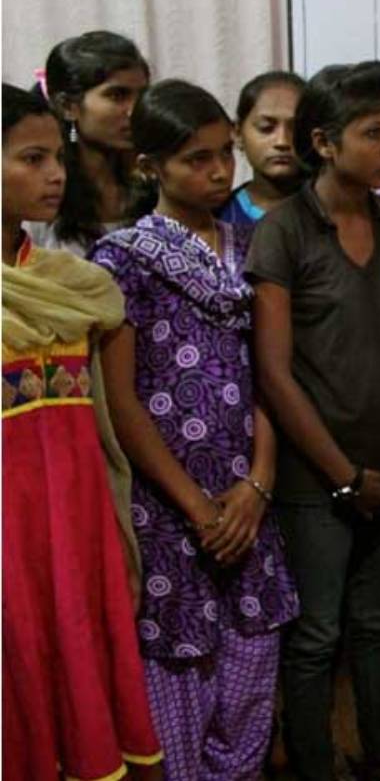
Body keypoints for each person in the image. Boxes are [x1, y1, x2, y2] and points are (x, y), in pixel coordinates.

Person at [90, 79, 299, 777]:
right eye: (195, 159)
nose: (217, 172)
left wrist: (258, 484)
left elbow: (270, 374)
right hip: (167, 508)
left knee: (249, 677)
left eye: (223, 154)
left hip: (247, 499)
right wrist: (196, 507)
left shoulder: (255, 249)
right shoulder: (122, 260)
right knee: (178, 681)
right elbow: (121, 402)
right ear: (150, 166)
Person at [245, 61, 380, 780]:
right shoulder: (284, 232)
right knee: (317, 635)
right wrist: (344, 476)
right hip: (314, 478)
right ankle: (314, 766)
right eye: (372, 134)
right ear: (323, 142)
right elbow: (274, 372)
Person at [1, 83, 164, 780]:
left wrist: (119, 536)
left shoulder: (76, 286)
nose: (55, 174)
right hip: (9, 542)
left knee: (81, 687)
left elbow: (104, 431)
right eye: (31, 159)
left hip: (77, 526)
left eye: (56, 157)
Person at [27, 30, 152, 254]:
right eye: (117, 96)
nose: (135, 111)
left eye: (142, 95)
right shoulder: (42, 196)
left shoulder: (154, 185)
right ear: (68, 106)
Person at [219, 70, 306, 229]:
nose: (282, 141)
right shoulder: (217, 218)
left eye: (296, 129)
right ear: (238, 134)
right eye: (266, 128)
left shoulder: (333, 212)